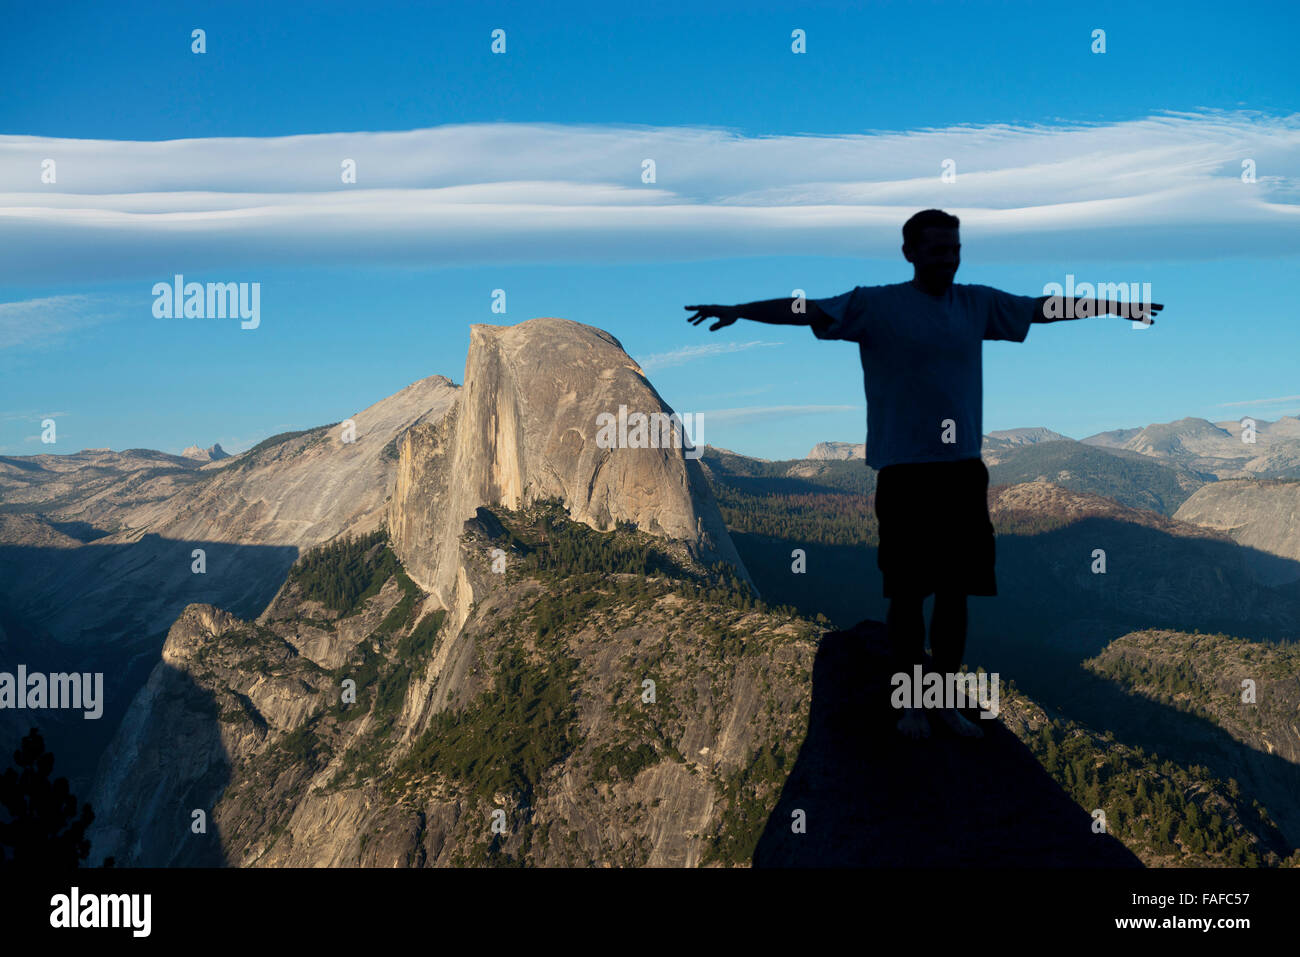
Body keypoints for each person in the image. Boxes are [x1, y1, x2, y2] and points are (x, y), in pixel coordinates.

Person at [685, 208, 1163, 740]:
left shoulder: (976, 303)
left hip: (961, 473)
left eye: (955, 249)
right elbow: (805, 309)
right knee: (908, 594)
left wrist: (1114, 307)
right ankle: (909, 705)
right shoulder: (876, 305)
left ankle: (941, 702)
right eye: (937, 250)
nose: (948, 259)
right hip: (905, 473)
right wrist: (740, 311)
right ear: (910, 252)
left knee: (956, 595)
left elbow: (1043, 309)